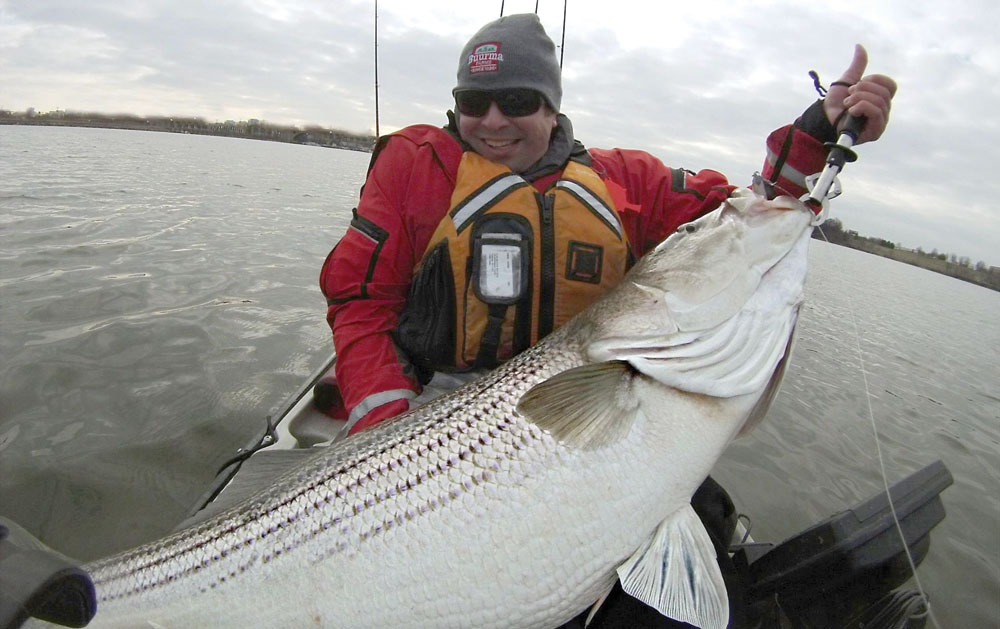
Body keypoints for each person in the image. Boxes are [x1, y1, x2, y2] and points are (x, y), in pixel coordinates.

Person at [319, 13, 896, 437]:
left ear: (552, 108)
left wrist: (819, 130)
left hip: (581, 407)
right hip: (430, 409)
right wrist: (383, 420)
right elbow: (360, 302)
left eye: (517, 99)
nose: (491, 122)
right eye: (473, 101)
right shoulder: (415, 167)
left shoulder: (626, 182)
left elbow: (747, 222)